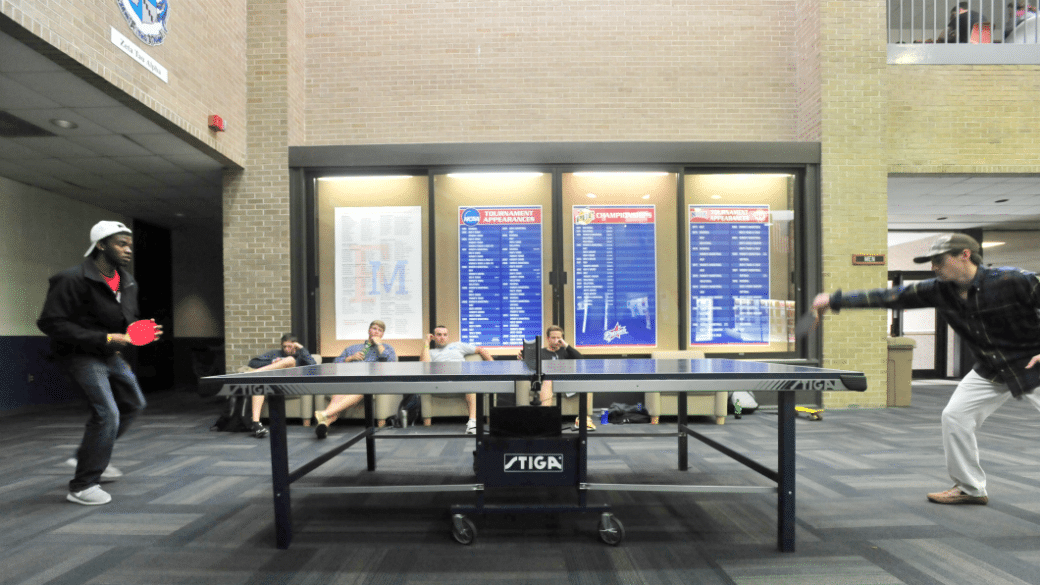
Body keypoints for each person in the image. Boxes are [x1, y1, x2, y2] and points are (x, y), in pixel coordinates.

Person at [812, 233, 1040, 505]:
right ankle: (970, 488)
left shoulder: (1012, 280)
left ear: (964, 255)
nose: (933, 267)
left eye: (939, 260)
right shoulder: (939, 290)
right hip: (990, 368)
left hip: (1030, 363)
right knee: (955, 417)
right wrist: (834, 301)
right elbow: (889, 296)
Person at [37, 220, 163, 506]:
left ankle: (90, 453)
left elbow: (124, 321)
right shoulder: (71, 279)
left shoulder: (128, 281)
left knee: (134, 403)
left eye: (129, 244)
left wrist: (139, 332)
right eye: (121, 243)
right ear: (101, 245)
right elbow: (51, 322)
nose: (128, 249)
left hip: (110, 354)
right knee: (107, 414)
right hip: (79, 355)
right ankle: (82, 486)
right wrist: (106, 339)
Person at [313, 319, 396, 439]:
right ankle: (324, 422)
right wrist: (350, 358)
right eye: (374, 328)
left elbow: (391, 363)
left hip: (369, 382)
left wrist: (379, 345)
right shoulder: (353, 348)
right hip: (349, 379)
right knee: (337, 396)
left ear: (382, 334)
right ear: (369, 330)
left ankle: (325, 414)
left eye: (380, 330)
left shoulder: (387, 348)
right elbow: (335, 363)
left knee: (361, 388)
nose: (376, 332)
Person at [517, 325, 596, 430]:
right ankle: (544, 419)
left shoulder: (566, 351)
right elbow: (530, 367)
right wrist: (522, 359)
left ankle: (583, 419)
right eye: (553, 337)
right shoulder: (540, 352)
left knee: (586, 381)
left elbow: (580, 359)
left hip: (565, 382)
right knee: (548, 380)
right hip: (547, 382)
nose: (556, 340)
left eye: (559, 338)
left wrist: (566, 345)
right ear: (547, 338)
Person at [420, 325, 492, 434]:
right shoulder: (431, 352)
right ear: (433, 337)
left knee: (471, 382)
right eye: (439, 335)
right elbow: (424, 365)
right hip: (442, 382)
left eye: (445, 335)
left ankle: (472, 423)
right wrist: (426, 343)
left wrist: (493, 366)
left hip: (461, 378)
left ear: (448, 337)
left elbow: (481, 350)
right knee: (469, 381)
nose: (442, 337)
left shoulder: (458, 345)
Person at [246, 334, 317, 438]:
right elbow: (252, 362)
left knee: (290, 360)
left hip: (291, 384)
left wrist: (301, 348)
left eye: (290, 346)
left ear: (295, 346)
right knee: (258, 384)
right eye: (284, 346)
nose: (286, 349)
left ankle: (254, 373)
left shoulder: (301, 355)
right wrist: (272, 362)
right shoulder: (275, 353)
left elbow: (314, 366)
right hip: (273, 383)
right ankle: (256, 424)